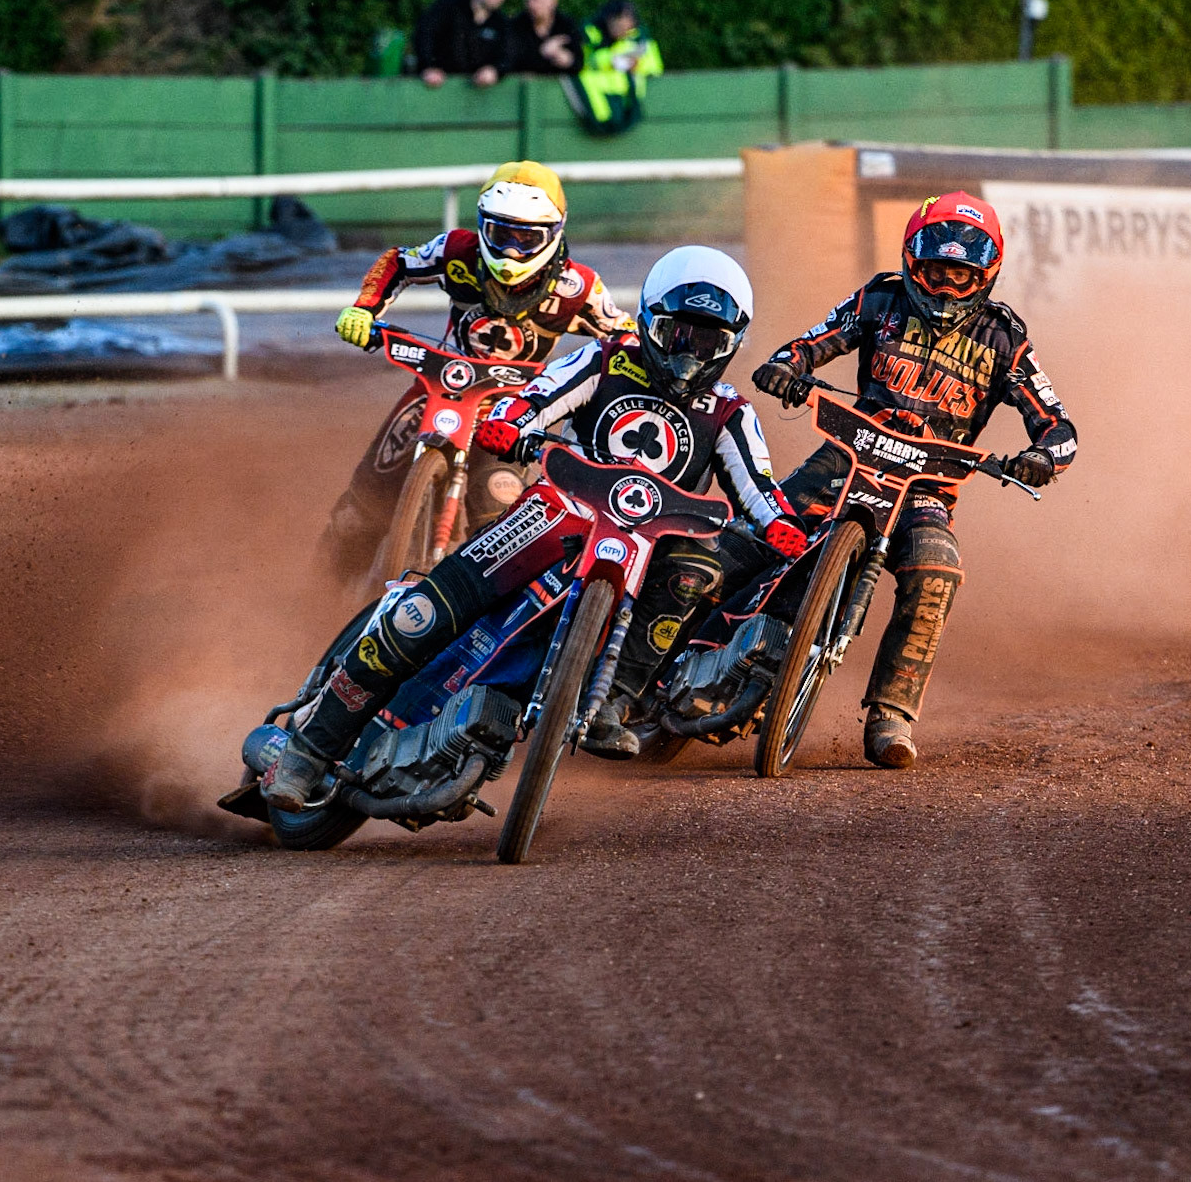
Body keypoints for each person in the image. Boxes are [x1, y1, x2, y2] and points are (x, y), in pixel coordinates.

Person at [267, 247, 807, 810]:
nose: (688, 357)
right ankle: (307, 749)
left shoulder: (730, 411)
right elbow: (531, 400)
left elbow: (760, 489)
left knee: (696, 570)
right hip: (553, 516)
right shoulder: (603, 360)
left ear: (732, 347)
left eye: (709, 343)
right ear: (648, 318)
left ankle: (612, 702)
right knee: (421, 613)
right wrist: (508, 425)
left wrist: (783, 529)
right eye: (677, 335)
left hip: (647, 550)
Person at [751, 191, 1076, 769]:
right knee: (758, 529)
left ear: (987, 274)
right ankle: (672, 652)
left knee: (937, 568)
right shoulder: (879, 298)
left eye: (961, 274)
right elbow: (808, 344)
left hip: (927, 487)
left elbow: (1059, 425)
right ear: (910, 261)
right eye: (934, 271)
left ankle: (890, 716)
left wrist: (1043, 458)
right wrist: (785, 368)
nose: (946, 287)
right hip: (845, 459)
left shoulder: (1005, 340)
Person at [321, 161, 632, 582]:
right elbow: (398, 262)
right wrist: (364, 309)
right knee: (358, 514)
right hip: (437, 389)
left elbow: (626, 339)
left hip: (514, 412)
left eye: (527, 239)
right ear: (482, 227)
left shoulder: (578, 288)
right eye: (501, 235)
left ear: (554, 234)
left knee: (502, 527)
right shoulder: (457, 251)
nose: (511, 252)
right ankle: (316, 595)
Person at [566, 0, 664, 136]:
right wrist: (609, 60)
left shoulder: (638, 36)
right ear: (609, 19)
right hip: (599, 104)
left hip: (626, 102)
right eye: (619, 22)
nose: (625, 28)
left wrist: (638, 64)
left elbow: (655, 65)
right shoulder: (589, 32)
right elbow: (580, 62)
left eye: (628, 22)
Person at [414, 0, 509, 88]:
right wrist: (429, 67)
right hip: (437, 87)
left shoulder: (502, 22)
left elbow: (508, 54)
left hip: (477, 94)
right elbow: (424, 35)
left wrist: (495, 70)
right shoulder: (447, 8)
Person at [507, 0, 584, 74]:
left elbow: (579, 63)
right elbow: (513, 63)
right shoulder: (516, 25)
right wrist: (543, 53)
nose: (531, 4)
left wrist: (567, 59)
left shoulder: (566, 25)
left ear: (553, 1)